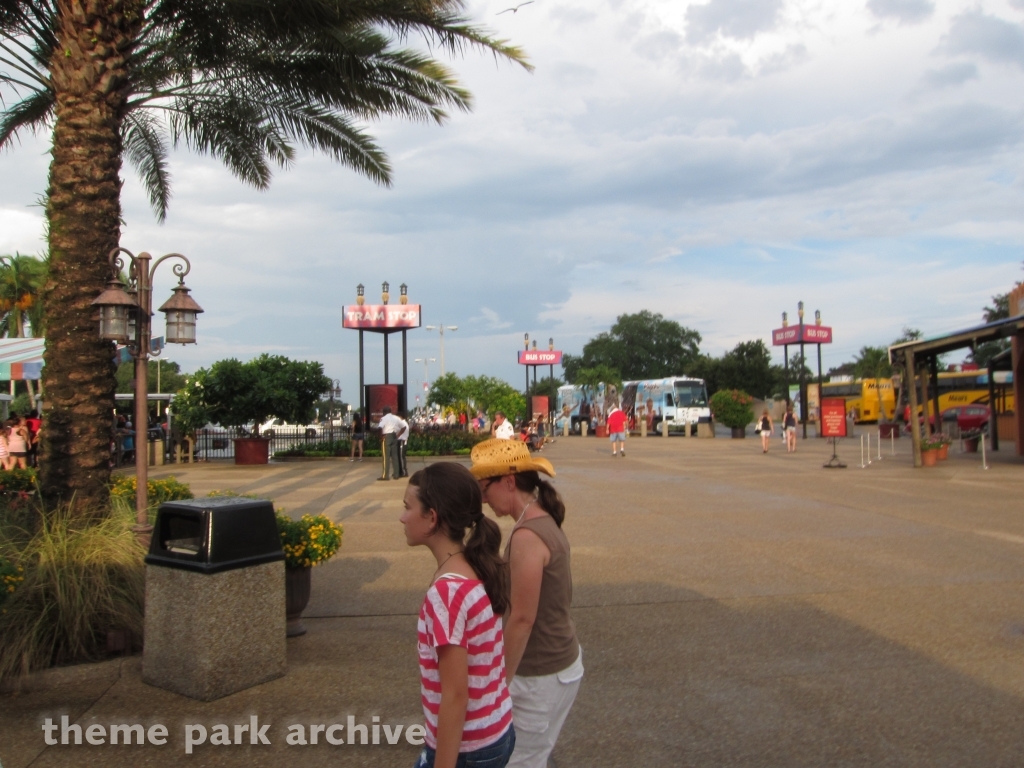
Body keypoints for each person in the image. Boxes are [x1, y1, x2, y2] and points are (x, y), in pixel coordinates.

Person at [471, 439, 583, 768]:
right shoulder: (540, 519)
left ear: (508, 481)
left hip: (539, 676)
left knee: (520, 761)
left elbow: (522, 619)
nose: (482, 499)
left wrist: (498, 684)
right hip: (559, 664)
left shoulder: (526, 536)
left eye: (484, 488)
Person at [401, 463, 516, 768]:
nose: (402, 516)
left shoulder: (447, 594)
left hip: (470, 747)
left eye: (407, 507)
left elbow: (455, 695)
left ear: (432, 518)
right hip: (498, 728)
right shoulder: (476, 565)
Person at [378, 406, 407, 481]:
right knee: (395, 456)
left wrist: (381, 437)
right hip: (394, 436)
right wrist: (398, 435)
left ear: (384, 412)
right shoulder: (396, 418)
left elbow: (380, 427)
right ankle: (396, 475)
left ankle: (385, 476)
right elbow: (404, 427)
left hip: (387, 436)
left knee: (386, 457)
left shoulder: (384, 418)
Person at [397, 414, 411, 478]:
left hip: (402, 441)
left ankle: (404, 472)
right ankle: (402, 471)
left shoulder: (402, 423)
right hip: (403, 441)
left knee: (402, 457)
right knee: (401, 457)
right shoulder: (404, 423)